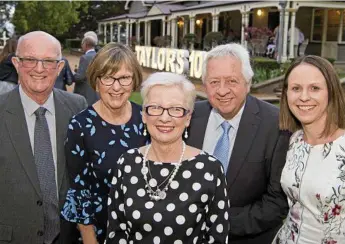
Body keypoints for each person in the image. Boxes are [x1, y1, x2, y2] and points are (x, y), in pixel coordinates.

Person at [105, 72, 231, 244]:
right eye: (155, 108)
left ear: (188, 118)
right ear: (143, 114)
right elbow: (115, 234)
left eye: (175, 109)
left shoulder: (210, 169)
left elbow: (217, 238)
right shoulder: (126, 163)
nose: (164, 118)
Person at [186, 43, 290, 244]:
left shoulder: (276, 125)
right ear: (204, 84)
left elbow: (277, 202)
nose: (222, 90)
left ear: (248, 82)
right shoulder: (188, 117)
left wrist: (218, 223)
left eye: (232, 81)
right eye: (214, 82)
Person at [0, 31, 87, 244]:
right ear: (16, 63)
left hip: (68, 237)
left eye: (48, 61)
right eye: (30, 60)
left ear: (59, 68)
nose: (39, 69)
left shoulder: (78, 107)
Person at [61, 43, 148, 244]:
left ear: (134, 80)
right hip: (99, 232)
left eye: (124, 78)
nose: (116, 87)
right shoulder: (80, 126)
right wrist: (90, 240)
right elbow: (78, 190)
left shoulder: (147, 119)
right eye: (108, 77)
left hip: (145, 231)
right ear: (96, 81)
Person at [274, 55, 345, 243]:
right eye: (296, 88)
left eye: (314, 88)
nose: (304, 97)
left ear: (331, 92)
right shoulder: (294, 141)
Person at [74, 35, 99, 105]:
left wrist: (73, 74)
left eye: (82, 44)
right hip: (96, 92)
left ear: (86, 45)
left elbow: (80, 77)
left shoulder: (85, 58)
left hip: (86, 92)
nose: (82, 46)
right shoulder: (99, 56)